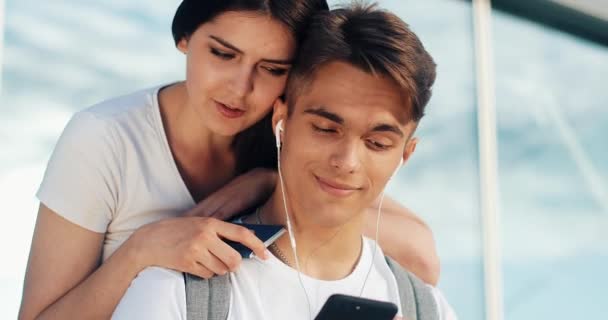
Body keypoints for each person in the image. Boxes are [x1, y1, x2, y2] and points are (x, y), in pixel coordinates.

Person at [19, 1, 439, 319]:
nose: (240, 89)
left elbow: (420, 259)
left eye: (272, 68)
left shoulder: (287, 142)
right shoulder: (105, 138)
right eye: (222, 54)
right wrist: (139, 251)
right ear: (184, 38)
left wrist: (271, 183)